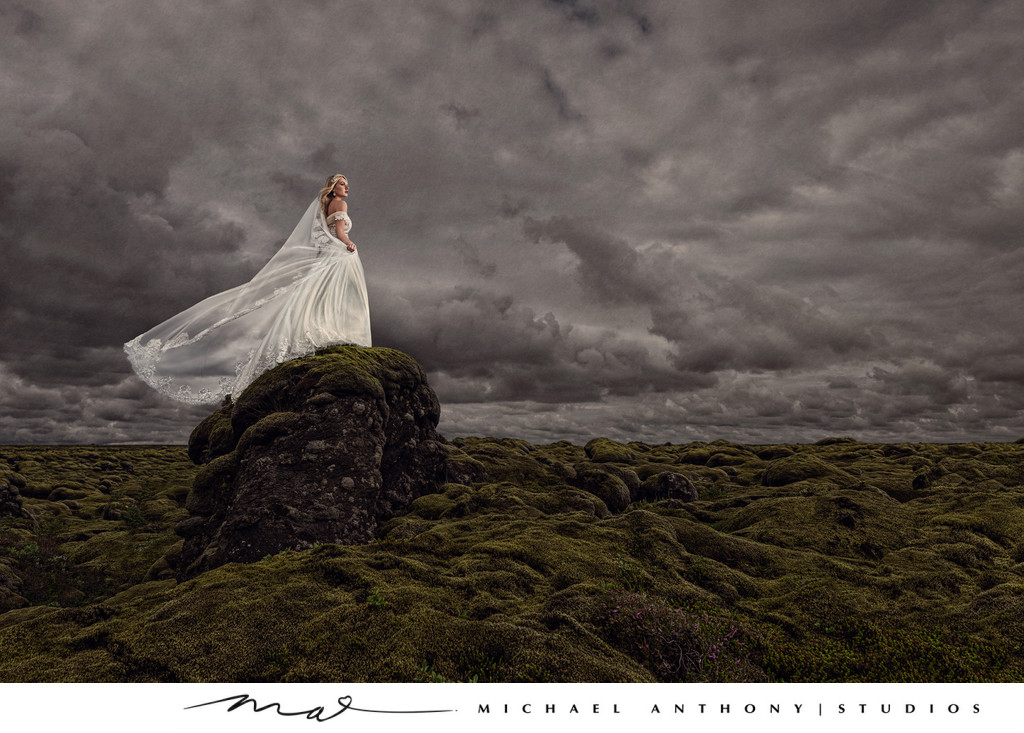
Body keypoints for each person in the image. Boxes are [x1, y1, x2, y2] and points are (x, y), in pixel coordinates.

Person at [124, 174, 372, 404]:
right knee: (337, 295)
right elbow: (339, 232)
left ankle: (322, 332)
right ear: (333, 187)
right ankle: (334, 332)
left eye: (347, 184)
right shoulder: (340, 204)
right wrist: (350, 244)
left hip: (327, 254)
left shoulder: (324, 207)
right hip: (338, 254)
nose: (346, 187)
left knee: (317, 294)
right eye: (342, 184)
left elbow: (324, 234)